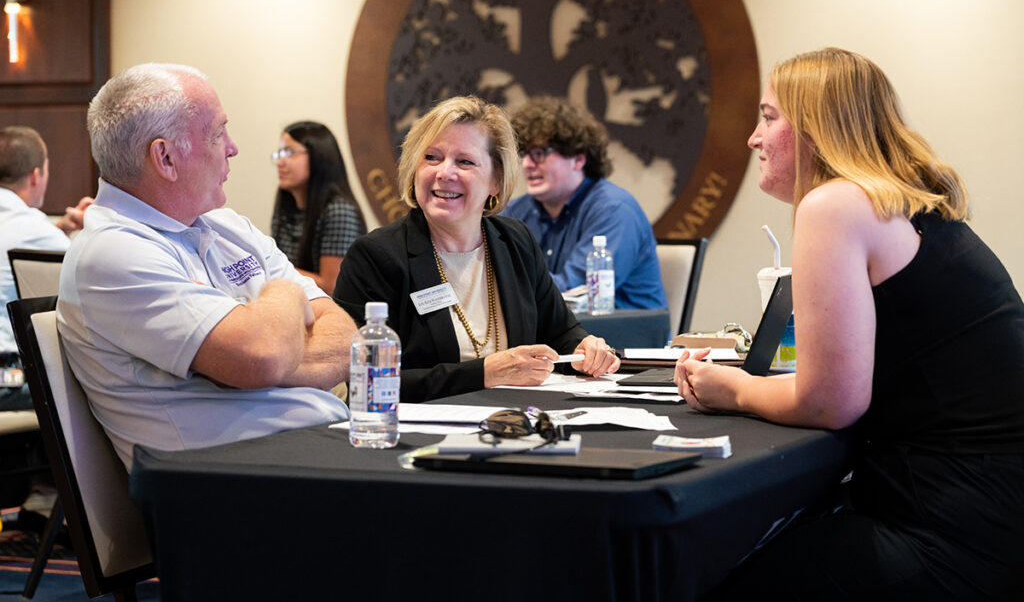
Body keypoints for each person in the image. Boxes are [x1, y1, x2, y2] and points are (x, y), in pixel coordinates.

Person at [677, 48, 1024, 600]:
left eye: (768, 117)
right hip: (991, 510)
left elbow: (831, 401)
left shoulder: (835, 204)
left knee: (704, 576)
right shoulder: (908, 204)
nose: (753, 137)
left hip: (952, 526)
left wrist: (733, 389)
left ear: (815, 127)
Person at [57, 63, 355, 470]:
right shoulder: (112, 251)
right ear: (164, 157)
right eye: (217, 133)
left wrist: (251, 360)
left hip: (307, 453)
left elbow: (346, 337)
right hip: (227, 487)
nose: (232, 148)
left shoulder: (228, 225)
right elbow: (262, 356)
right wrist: (284, 295)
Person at [333, 96, 620, 402]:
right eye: (431, 157)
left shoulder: (515, 241)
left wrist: (586, 348)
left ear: (496, 180)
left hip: (515, 422)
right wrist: (483, 374)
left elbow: (561, 332)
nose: (445, 172)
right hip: (419, 434)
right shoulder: (375, 256)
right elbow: (362, 379)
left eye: (465, 161)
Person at [503, 96, 666, 310]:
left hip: (626, 337)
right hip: (559, 336)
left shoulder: (614, 209)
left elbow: (575, 292)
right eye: (523, 155)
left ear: (578, 160)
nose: (526, 165)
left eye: (539, 154)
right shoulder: (516, 210)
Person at [1, 126, 92, 411]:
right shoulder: (34, 229)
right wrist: (97, 225)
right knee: (94, 386)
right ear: (36, 175)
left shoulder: (29, 229)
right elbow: (96, 271)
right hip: (7, 377)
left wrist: (60, 229)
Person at [271, 121, 365, 295]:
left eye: (290, 152)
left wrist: (269, 266)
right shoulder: (286, 204)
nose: (280, 162)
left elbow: (332, 287)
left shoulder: (339, 211)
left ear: (318, 156)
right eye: (280, 153)